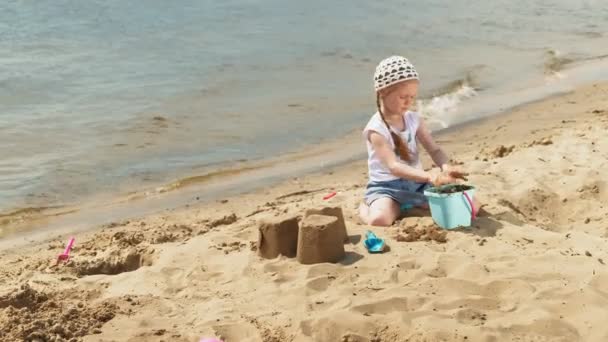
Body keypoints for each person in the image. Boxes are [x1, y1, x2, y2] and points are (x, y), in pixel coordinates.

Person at [359, 56, 468, 227]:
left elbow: (434, 150)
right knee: (379, 220)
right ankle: (366, 206)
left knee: (461, 201)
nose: (409, 102)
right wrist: (429, 176)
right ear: (383, 92)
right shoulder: (376, 130)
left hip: (416, 184)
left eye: (412, 97)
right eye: (403, 97)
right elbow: (393, 167)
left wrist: (446, 169)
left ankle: (406, 205)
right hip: (387, 188)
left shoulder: (413, 120)